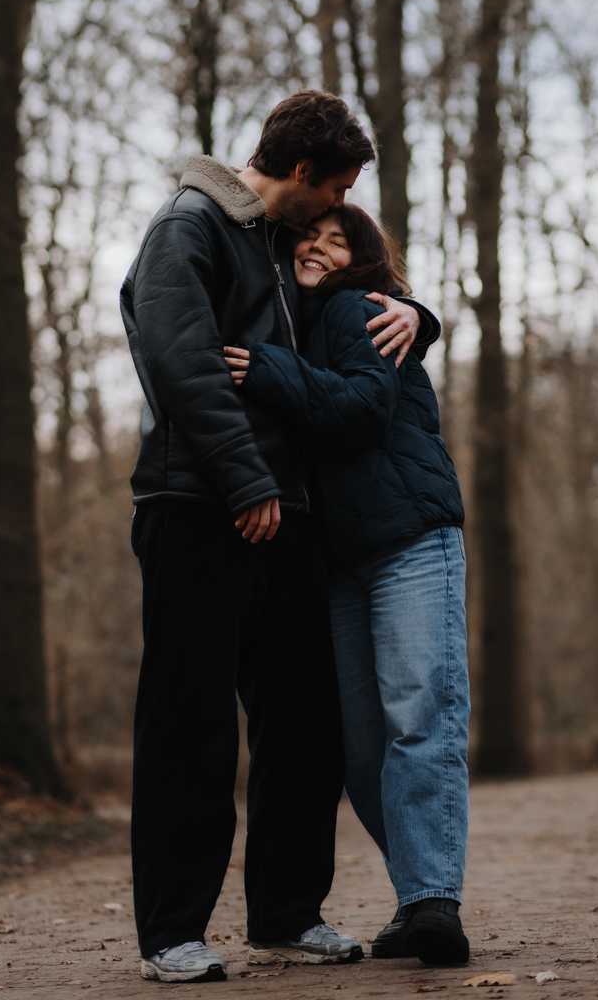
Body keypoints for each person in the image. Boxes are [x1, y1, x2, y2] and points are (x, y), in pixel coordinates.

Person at [120, 91, 435, 984]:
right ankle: (172, 932)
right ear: (300, 174)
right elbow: (180, 360)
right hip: (197, 504)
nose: (333, 209)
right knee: (190, 724)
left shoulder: (282, 242)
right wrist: (245, 479)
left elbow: (355, 325)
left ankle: (288, 914)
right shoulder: (189, 227)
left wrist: (422, 316)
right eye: (332, 189)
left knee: (306, 722)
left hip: (290, 518)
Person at [224, 203, 470, 968]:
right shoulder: (291, 319)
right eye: (310, 236)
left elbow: (363, 410)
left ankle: (433, 901)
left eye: (338, 241)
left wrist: (269, 369)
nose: (319, 248)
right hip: (334, 558)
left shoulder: (358, 310)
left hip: (405, 538)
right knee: (359, 747)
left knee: (419, 716)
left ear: (362, 260)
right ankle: (415, 897)